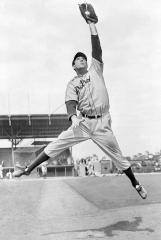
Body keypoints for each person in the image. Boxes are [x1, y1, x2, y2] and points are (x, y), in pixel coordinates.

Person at [12, 3, 147, 199]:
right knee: (58, 143)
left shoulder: (96, 70)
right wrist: (72, 117)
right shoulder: (72, 83)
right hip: (83, 123)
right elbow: (70, 104)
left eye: (83, 57)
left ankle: (136, 184)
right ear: (73, 66)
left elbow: (97, 49)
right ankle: (27, 168)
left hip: (102, 122)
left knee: (118, 156)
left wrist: (92, 25)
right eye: (78, 58)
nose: (82, 59)